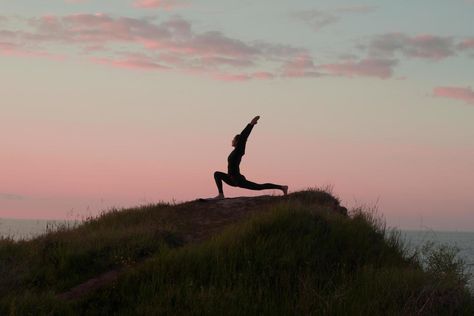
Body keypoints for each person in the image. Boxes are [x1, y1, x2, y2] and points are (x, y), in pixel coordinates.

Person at [213, 116, 288, 199]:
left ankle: (282, 187)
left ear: (237, 141)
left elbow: (243, 136)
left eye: (233, 139)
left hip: (238, 180)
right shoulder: (235, 151)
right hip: (231, 179)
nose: (232, 140)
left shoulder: (239, 150)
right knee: (217, 174)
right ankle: (221, 194)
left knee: (259, 187)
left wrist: (251, 124)